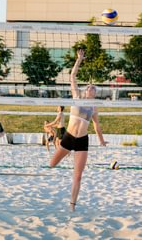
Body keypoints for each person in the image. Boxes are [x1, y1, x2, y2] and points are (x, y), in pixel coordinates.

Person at [49, 49, 108, 211]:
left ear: (95, 93)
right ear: (85, 90)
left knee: (78, 175)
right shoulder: (77, 96)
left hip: (82, 140)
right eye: (89, 86)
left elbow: (96, 125)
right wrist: (79, 59)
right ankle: (66, 153)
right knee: (52, 164)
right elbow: (72, 76)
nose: (92, 87)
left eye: (94, 87)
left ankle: (72, 205)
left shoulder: (94, 107)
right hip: (68, 137)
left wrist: (101, 140)